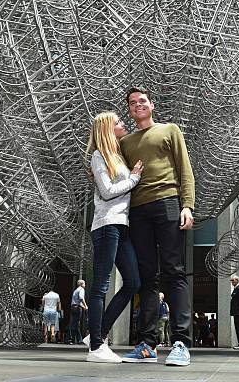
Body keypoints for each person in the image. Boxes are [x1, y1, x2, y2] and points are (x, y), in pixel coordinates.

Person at [120, 87, 195, 366]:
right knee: (147, 277)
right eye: (132, 103)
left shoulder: (170, 130)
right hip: (138, 211)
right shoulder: (126, 142)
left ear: (152, 104)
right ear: (129, 109)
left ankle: (180, 344)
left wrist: (187, 205)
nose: (138, 105)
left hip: (168, 204)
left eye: (142, 101)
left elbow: (185, 169)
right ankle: (147, 344)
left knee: (174, 272)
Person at [85, 111, 143, 363]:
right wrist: (133, 178)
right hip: (107, 225)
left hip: (121, 225)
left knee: (133, 282)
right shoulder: (99, 155)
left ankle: (97, 334)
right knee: (100, 287)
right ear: (108, 129)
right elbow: (107, 192)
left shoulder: (116, 155)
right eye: (118, 122)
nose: (123, 125)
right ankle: (96, 347)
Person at [67, 280, 88, 345]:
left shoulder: (76, 290)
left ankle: (79, 339)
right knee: (75, 324)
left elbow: (77, 301)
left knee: (75, 324)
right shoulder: (81, 289)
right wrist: (86, 306)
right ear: (82, 284)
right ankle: (69, 339)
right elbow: (81, 298)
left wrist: (83, 307)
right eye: (84, 284)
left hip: (74, 307)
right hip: (77, 308)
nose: (85, 285)